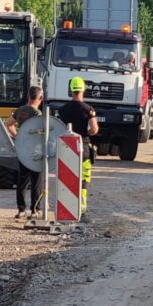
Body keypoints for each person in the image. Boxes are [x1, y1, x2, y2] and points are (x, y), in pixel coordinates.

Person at [57, 77, 99, 215]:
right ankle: (81, 209)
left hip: (65, 147)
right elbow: (94, 130)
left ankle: (66, 207)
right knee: (83, 179)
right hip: (83, 147)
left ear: (71, 90)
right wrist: (84, 133)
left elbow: (57, 128)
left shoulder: (62, 110)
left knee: (66, 178)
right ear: (83, 90)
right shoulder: (88, 110)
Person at [5, 85, 44, 219]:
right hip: (35, 151)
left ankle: (21, 210)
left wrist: (17, 136)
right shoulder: (37, 114)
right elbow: (41, 132)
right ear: (41, 98)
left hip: (23, 150)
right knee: (36, 181)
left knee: (22, 180)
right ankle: (35, 210)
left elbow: (8, 124)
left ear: (28, 96)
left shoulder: (19, 111)